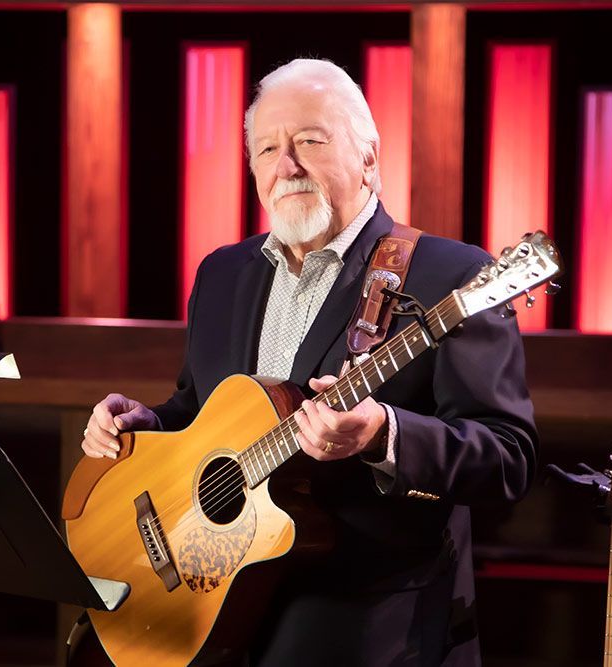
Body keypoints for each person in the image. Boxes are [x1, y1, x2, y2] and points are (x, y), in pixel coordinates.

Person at [80, 58, 537, 667]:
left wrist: (383, 436)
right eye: (267, 148)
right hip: (212, 591)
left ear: (369, 158)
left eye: (310, 141)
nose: (286, 165)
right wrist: (146, 427)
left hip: (367, 612)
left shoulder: (450, 277)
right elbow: (198, 413)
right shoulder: (221, 274)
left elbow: (509, 458)